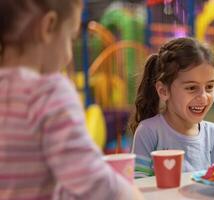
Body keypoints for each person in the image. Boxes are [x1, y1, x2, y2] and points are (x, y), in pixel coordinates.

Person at [0, 1, 143, 199]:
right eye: (70, 37)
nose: (68, 56)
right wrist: (130, 194)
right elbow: (89, 179)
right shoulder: (46, 92)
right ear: (48, 26)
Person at [129, 37, 214, 178]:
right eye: (192, 87)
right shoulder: (149, 132)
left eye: (209, 87)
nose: (204, 97)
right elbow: (139, 187)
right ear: (163, 91)